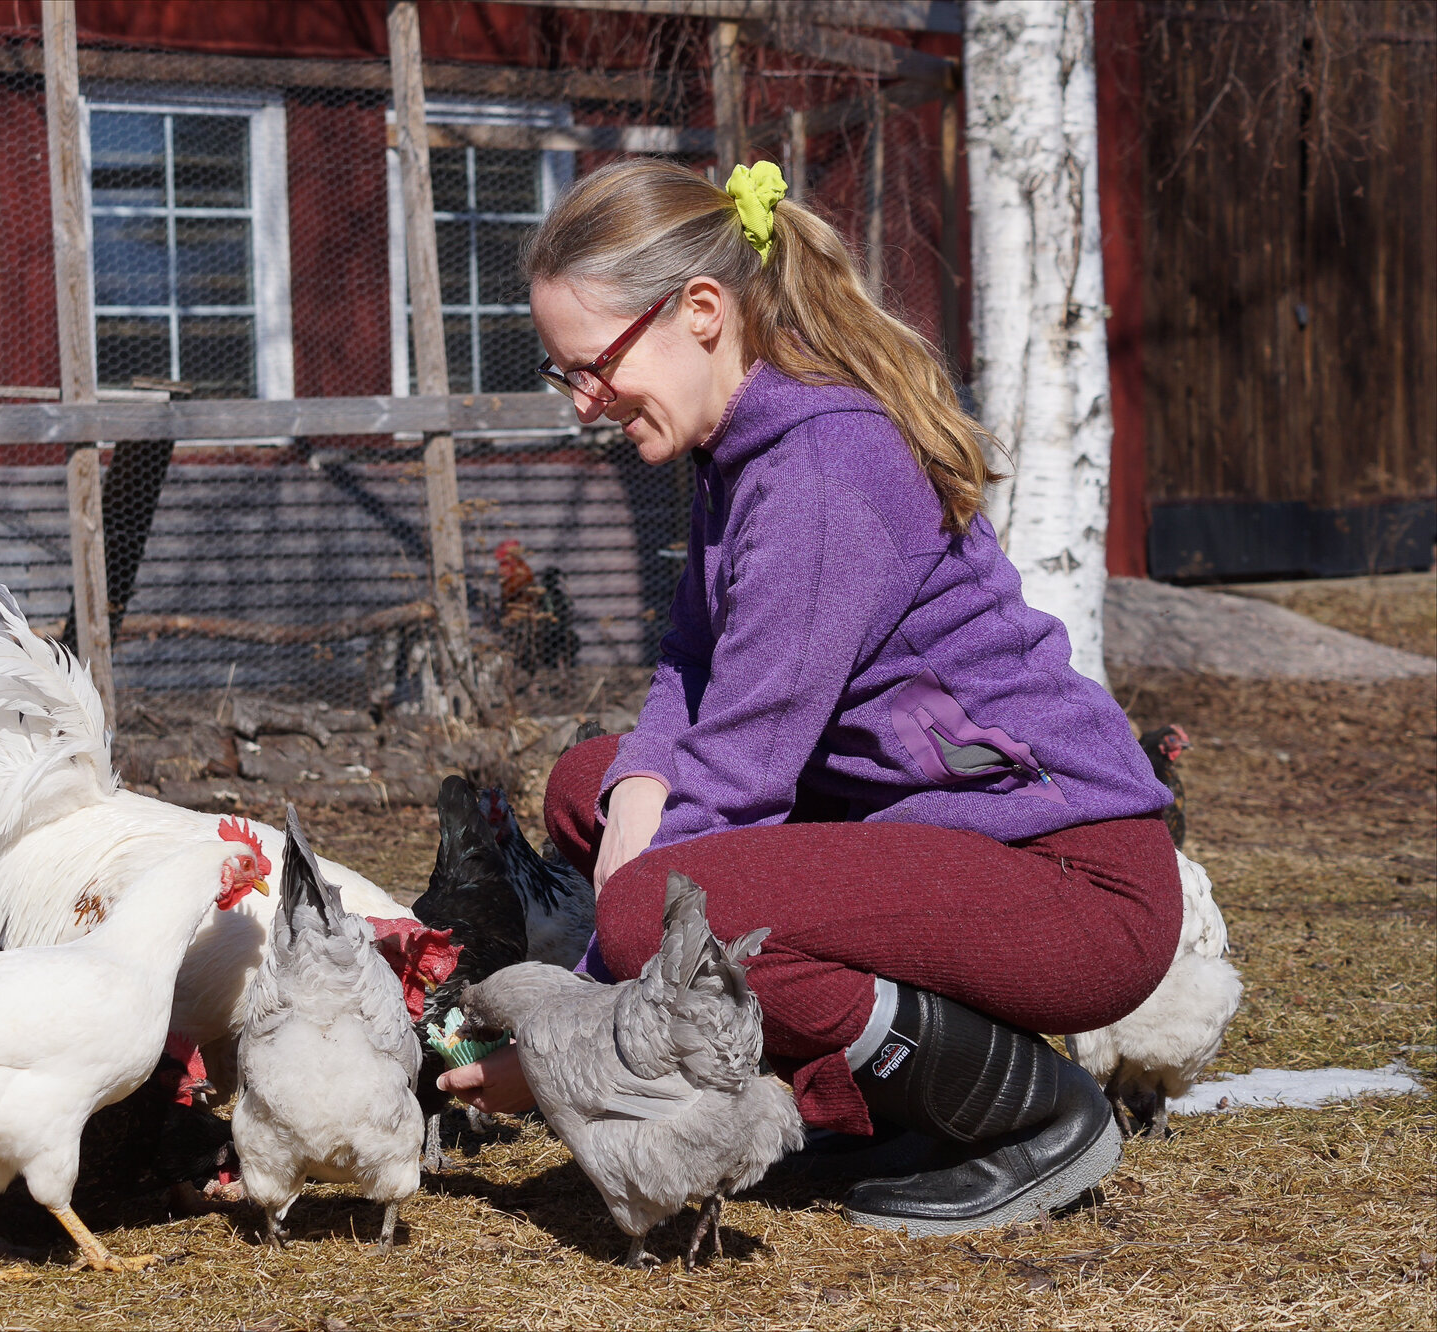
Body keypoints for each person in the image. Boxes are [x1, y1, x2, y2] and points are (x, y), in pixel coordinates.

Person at [437, 159, 1180, 1236]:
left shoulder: (819, 477)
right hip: (951, 827)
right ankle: (882, 1107)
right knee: (590, 785)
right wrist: (639, 784)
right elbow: (690, 660)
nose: (587, 403)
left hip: (1070, 878)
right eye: (567, 375)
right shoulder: (738, 451)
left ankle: (1030, 1112)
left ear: (700, 311)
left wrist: (580, 1036)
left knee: (650, 915)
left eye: (595, 365)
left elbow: (740, 772)